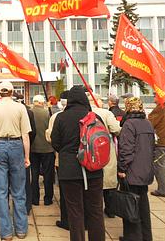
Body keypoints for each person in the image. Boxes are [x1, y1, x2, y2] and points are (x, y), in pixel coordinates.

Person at [51, 85, 105, 241]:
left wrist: (68, 152)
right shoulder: (94, 117)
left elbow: (55, 143)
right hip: (94, 169)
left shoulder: (61, 117)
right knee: (95, 211)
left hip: (69, 170)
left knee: (75, 211)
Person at [0, 81, 31, 241]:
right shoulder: (20, 108)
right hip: (16, 144)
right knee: (19, 191)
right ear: (12, 92)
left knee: (1, 190)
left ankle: (6, 232)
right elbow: (26, 135)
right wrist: (27, 156)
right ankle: (21, 229)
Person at [117, 97, 154, 241]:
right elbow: (152, 147)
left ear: (127, 107)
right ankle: (146, 236)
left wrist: (122, 169)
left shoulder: (129, 124)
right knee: (143, 206)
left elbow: (126, 150)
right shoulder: (148, 123)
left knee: (130, 205)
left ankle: (132, 236)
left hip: (132, 172)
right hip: (145, 171)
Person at [87, 93, 121, 218]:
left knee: (94, 183)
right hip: (106, 150)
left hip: (90, 151)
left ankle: (94, 210)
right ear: (98, 101)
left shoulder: (86, 113)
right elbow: (116, 129)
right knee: (109, 181)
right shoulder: (107, 113)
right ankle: (110, 209)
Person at [46, 90, 69, 231]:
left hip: (62, 158)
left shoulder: (57, 117)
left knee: (65, 190)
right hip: (85, 159)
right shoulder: (88, 114)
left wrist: (58, 149)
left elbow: (51, 137)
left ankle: (66, 218)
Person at [30, 94, 55, 206]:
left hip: (33, 148)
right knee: (48, 175)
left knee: (34, 175)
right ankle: (48, 199)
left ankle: (34, 199)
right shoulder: (47, 113)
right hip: (47, 148)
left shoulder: (29, 113)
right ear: (41, 102)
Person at [148, 96, 165, 197]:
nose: (154, 97)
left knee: (159, 166)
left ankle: (163, 190)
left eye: (156, 96)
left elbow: (151, 122)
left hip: (161, 142)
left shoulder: (160, 108)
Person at [15, 92, 36, 215]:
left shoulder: (28, 112)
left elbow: (32, 132)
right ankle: (26, 205)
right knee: (25, 178)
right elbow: (32, 133)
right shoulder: (28, 111)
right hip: (24, 147)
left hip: (18, 146)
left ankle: (25, 205)